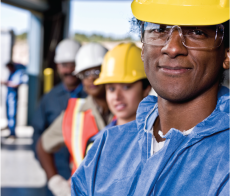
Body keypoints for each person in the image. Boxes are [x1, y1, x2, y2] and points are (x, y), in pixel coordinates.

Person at [71, 0, 230, 195]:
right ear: (143, 47)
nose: (172, 48)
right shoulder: (106, 150)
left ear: (227, 53)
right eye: (159, 29)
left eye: (196, 32)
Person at [36, 43, 113, 196]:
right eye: (85, 74)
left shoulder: (128, 110)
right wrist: (56, 182)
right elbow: (42, 145)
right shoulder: (74, 113)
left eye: (97, 71)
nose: (91, 78)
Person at [31, 39, 87, 196]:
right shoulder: (49, 99)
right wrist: (53, 177)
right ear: (57, 66)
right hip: (58, 174)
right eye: (64, 65)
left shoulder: (95, 96)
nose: (69, 70)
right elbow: (38, 136)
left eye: (73, 64)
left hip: (88, 178)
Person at [87, 42, 151, 149]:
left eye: (126, 87)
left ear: (146, 89)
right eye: (111, 89)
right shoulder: (97, 144)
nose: (117, 96)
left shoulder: (160, 140)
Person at [1, 62, 28, 138]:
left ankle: (13, 133)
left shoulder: (17, 73)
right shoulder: (11, 73)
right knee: (8, 115)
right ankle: (10, 132)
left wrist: (5, 82)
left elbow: (16, 84)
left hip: (13, 97)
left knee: (12, 114)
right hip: (8, 96)